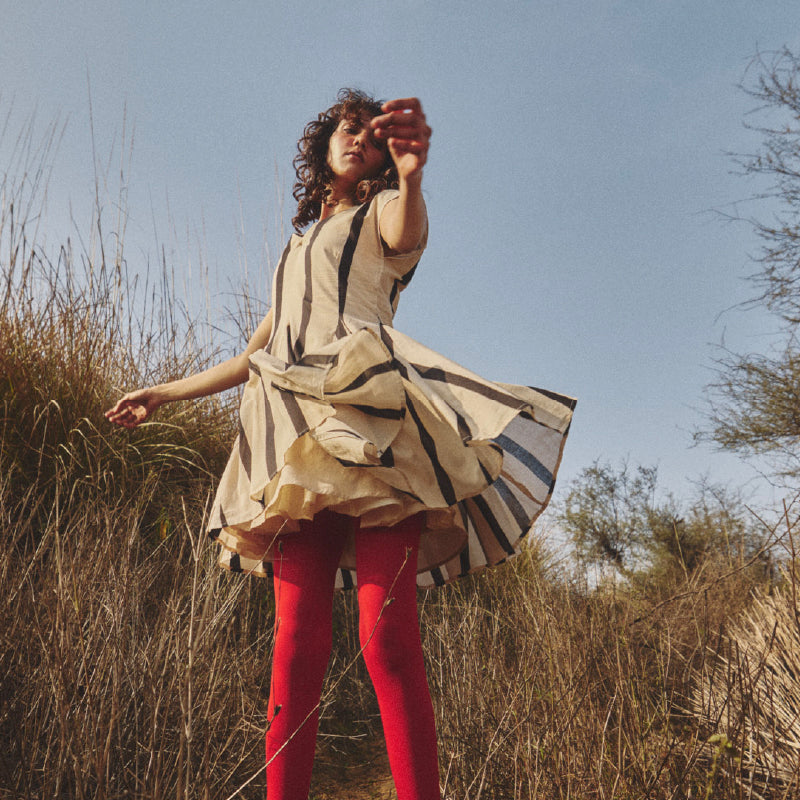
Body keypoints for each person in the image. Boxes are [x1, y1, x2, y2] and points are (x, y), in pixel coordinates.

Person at [106, 89, 575, 800]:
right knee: (296, 644)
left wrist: (411, 178)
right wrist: (163, 393)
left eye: (373, 137)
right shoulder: (296, 245)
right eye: (348, 129)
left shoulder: (380, 212)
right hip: (297, 442)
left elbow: (407, 232)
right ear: (324, 144)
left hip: (375, 429)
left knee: (386, 639)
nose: (360, 140)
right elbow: (254, 356)